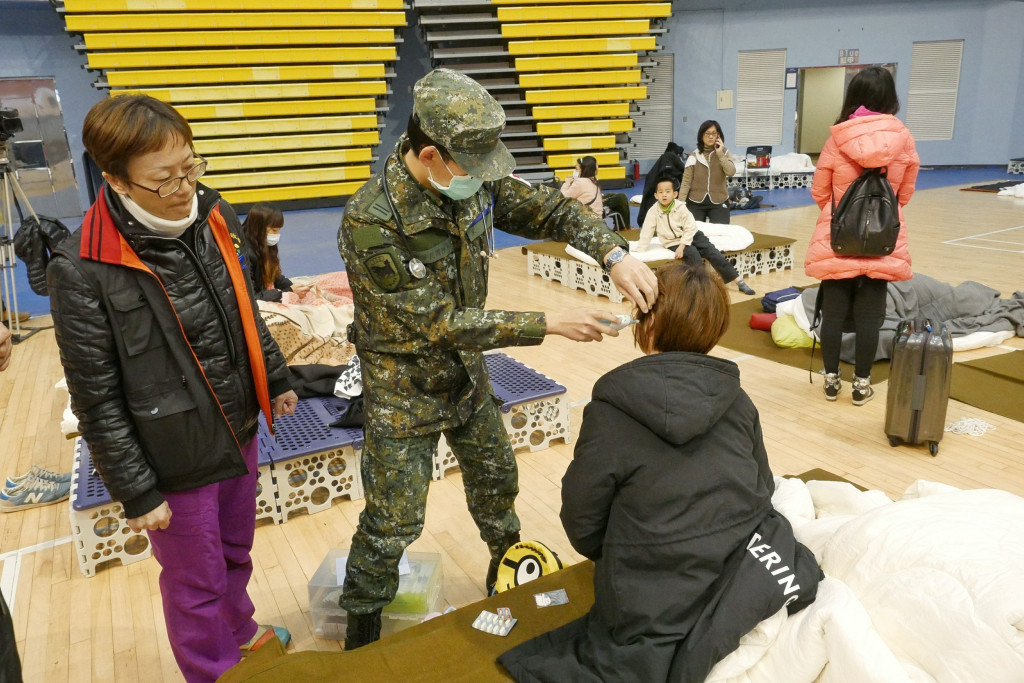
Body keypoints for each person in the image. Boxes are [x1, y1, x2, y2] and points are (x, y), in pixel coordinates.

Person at [336, 68, 658, 650]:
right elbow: (437, 323)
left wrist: (613, 254)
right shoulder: (370, 219)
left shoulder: (472, 180)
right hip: (402, 390)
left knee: (495, 481)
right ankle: (362, 633)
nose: (480, 180)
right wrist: (549, 323)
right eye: (468, 167)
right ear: (430, 153)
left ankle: (505, 572)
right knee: (392, 524)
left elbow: (551, 212)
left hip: (466, 378)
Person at [46, 95, 298, 682]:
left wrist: (276, 377)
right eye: (163, 179)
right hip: (171, 456)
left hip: (236, 426)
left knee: (236, 550)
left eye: (191, 167)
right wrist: (136, 492)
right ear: (116, 179)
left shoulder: (212, 214)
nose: (183, 187)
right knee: (195, 581)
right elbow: (95, 396)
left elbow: (243, 308)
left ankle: (240, 635)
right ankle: (213, 671)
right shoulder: (81, 267)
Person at [498, 262, 821, 682]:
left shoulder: (611, 410)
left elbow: (582, 521)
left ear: (645, 325)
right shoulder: (738, 401)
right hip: (730, 568)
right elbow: (761, 489)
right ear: (716, 327)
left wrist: (626, 554)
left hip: (646, 594)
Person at [805, 66, 918, 404]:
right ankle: (862, 385)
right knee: (871, 316)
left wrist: (840, 216)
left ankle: (830, 381)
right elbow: (905, 195)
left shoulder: (837, 138)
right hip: (882, 240)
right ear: (889, 97)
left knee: (834, 313)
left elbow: (819, 192)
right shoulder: (903, 138)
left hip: (839, 238)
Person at [639, 178, 757, 295]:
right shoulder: (653, 211)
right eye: (661, 192)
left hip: (692, 234)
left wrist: (682, 245)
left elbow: (690, 228)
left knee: (712, 252)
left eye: (667, 191)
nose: (664, 195)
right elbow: (647, 231)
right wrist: (641, 250)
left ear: (675, 194)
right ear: (656, 195)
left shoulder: (681, 207)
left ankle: (739, 282)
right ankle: (702, 288)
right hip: (672, 241)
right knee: (693, 254)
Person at [240, 202, 311, 302]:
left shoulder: (260, 243)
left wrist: (291, 286)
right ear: (258, 228)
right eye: (273, 230)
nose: (277, 235)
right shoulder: (244, 254)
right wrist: (288, 292)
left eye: (278, 230)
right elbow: (252, 297)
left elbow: (274, 276)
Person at [679, 120, 737, 224]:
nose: (710, 136)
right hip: (696, 202)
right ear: (701, 135)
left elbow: (731, 172)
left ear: (718, 135)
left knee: (720, 234)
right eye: (707, 133)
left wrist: (720, 154)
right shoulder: (694, 156)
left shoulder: (725, 153)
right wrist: (681, 204)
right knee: (693, 234)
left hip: (719, 201)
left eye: (713, 133)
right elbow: (686, 182)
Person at [559, 156, 630, 231]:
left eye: (576, 169)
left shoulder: (581, 181)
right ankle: (624, 227)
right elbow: (564, 196)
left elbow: (563, 196)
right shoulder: (586, 180)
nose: (575, 171)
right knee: (621, 197)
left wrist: (567, 181)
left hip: (587, 208)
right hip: (590, 212)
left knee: (614, 195)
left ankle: (622, 226)